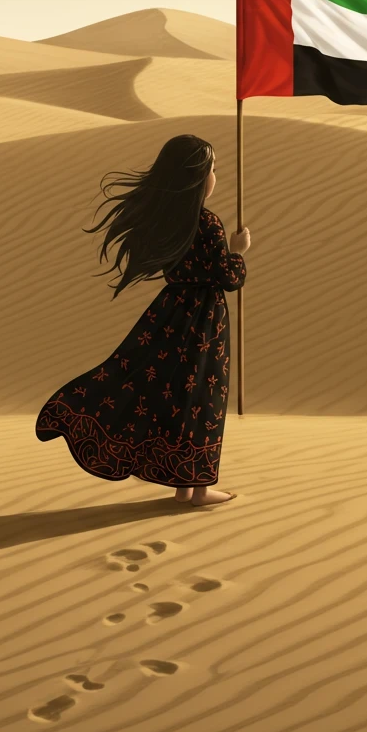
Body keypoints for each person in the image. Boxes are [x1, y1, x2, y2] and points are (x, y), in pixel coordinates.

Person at [35, 134, 250, 507]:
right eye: (213, 168)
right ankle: (195, 488)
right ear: (196, 174)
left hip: (170, 314)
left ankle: (185, 486)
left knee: (168, 392)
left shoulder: (168, 221)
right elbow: (228, 278)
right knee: (202, 399)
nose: (216, 175)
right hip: (203, 321)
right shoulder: (207, 223)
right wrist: (237, 252)